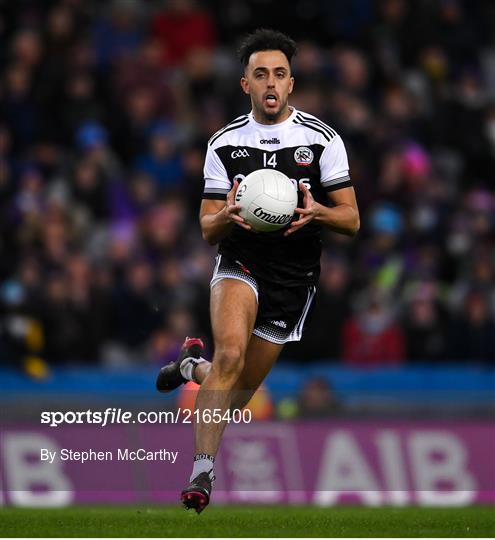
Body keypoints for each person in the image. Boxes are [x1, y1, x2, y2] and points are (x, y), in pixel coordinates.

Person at [156, 28, 360, 513]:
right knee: (229, 355)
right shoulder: (224, 144)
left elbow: (351, 220)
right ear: (245, 83)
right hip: (241, 261)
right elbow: (207, 229)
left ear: (292, 83)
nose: (271, 82)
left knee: (240, 396)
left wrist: (318, 214)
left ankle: (189, 366)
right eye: (261, 73)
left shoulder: (323, 140)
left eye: (280, 74)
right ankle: (201, 474)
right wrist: (223, 217)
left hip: (294, 278)